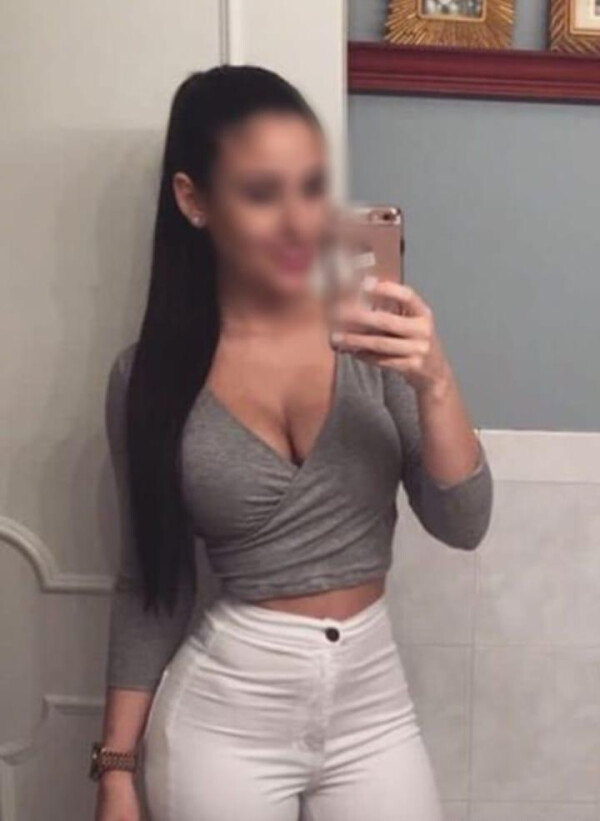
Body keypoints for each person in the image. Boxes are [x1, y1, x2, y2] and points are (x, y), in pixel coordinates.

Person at [94, 65, 492, 821]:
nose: (297, 221)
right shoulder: (148, 379)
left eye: (311, 188)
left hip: (373, 710)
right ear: (193, 200)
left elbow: (463, 523)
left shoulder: (371, 341)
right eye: (260, 192)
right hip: (224, 717)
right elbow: (150, 583)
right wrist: (115, 769)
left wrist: (435, 380)